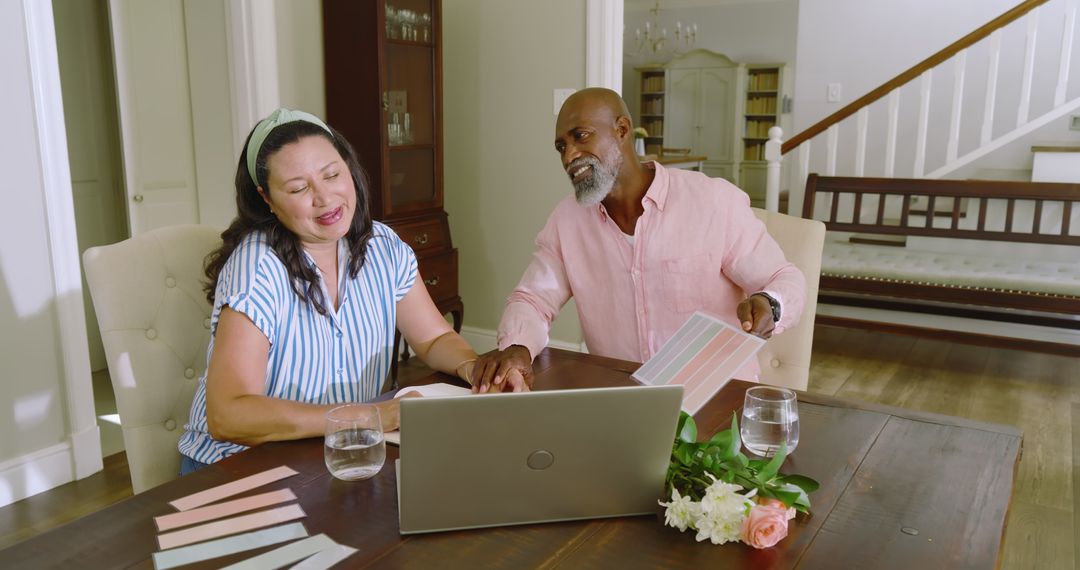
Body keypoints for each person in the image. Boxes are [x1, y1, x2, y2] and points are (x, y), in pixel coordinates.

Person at [179, 108, 477, 473]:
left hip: (337, 455)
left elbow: (432, 339)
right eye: (298, 188)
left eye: (332, 174)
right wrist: (364, 417)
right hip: (238, 467)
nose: (325, 198)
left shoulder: (383, 246)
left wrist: (475, 369)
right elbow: (229, 414)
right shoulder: (257, 268)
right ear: (267, 199)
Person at [471, 88, 805, 393]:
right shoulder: (566, 220)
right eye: (561, 147)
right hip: (623, 401)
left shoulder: (712, 201)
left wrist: (770, 304)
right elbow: (532, 299)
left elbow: (784, 279)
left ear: (622, 130)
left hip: (718, 398)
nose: (569, 156)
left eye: (581, 136)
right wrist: (517, 347)